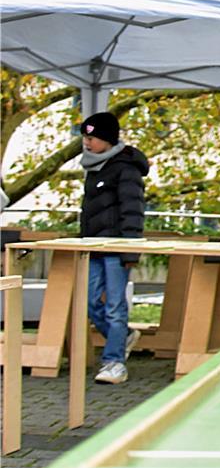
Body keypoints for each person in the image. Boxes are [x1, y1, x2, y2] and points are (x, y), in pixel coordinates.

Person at [78, 111, 149, 385]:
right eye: (85, 137)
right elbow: (88, 212)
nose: (87, 142)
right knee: (91, 303)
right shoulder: (92, 168)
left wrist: (130, 251)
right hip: (93, 248)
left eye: (92, 137)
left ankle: (114, 362)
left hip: (117, 249)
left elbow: (133, 212)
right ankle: (125, 337)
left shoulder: (126, 169)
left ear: (107, 139)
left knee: (115, 307)